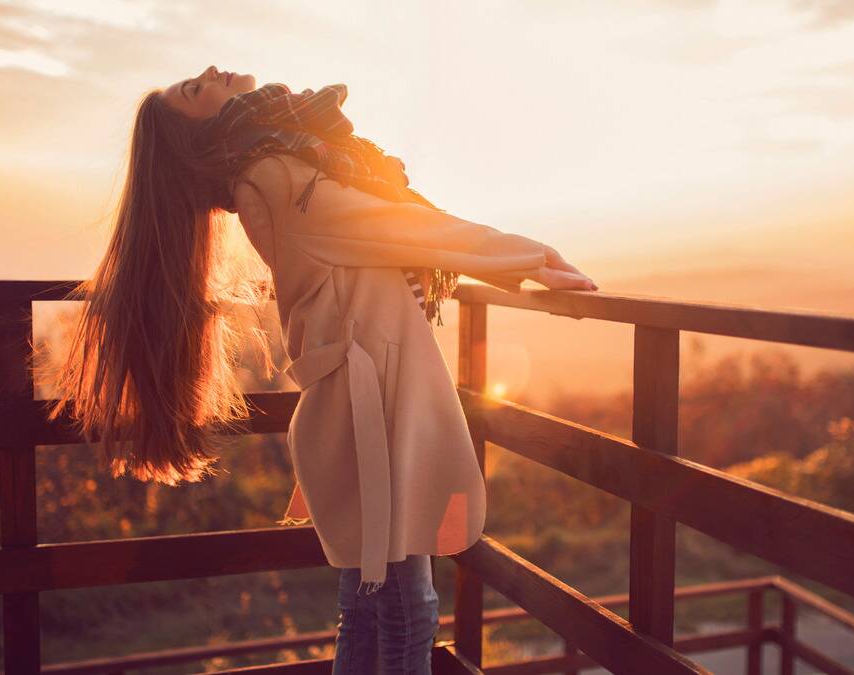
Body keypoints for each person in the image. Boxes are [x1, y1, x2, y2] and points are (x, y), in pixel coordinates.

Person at [43, 65, 597, 675]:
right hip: (372, 413)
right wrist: (530, 256)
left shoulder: (275, 164)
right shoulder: (274, 177)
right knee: (410, 607)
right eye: (194, 91)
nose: (207, 73)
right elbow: (398, 227)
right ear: (197, 138)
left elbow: (383, 229)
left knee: (369, 604)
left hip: (366, 405)